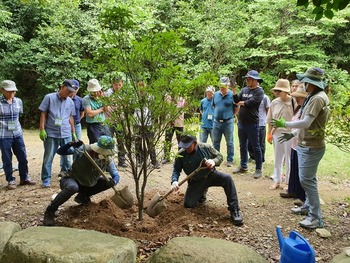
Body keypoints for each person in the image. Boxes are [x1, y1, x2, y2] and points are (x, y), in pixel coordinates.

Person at [272, 67, 330, 229]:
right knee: (307, 178)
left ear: (310, 82)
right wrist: (293, 134)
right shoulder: (314, 96)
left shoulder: (318, 98)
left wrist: (286, 124)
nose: (303, 83)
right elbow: (306, 122)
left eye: (305, 81)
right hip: (306, 143)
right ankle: (308, 207)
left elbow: (306, 122)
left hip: (312, 145)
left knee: (307, 180)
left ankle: (315, 217)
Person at [43, 135, 120, 226]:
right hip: (71, 179)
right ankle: (50, 211)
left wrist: (114, 181)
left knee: (108, 182)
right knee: (72, 187)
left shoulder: (107, 160)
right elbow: (60, 152)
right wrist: (70, 144)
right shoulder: (83, 150)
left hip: (88, 184)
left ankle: (82, 196)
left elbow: (116, 175)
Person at [170, 134, 243, 226]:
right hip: (196, 181)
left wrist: (213, 161)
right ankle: (201, 193)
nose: (186, 149)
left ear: (195, 143)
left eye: (188, 146)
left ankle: (234, 210)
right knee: (188, 204)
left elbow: (219, 157)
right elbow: (176, 170)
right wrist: (174, 181)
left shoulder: (205, 147)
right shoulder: (180, 155)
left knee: (227, 179)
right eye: (184, 146)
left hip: (211, 175)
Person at [38, 79, 77, 188]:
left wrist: (73, 132)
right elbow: (43, 113)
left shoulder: (70, 101)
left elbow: (71, 117)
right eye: (68, 90)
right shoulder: (49, 97)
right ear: (62, 87)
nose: (69, 93)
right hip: (51, 133)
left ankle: (66, 176)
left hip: (65, 133)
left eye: (71, 92)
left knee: (66, 157)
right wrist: (42, 129)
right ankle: (46, 179)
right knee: (48, 157)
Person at [0, 80, 36, 189]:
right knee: (7, 159)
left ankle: (24, 178)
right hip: (3, 135)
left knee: (22, 157)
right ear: (2, 90)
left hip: (17, 134)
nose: (12, 93)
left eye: (14, 91)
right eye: (9, 91)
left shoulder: (18, 101)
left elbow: (18, 117)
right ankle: (10, 180)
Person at [232, 70, 264, 179]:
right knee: (242, 145)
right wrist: (234, 91)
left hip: (252, 124)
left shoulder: (259, 91)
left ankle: (258, 168)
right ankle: (243, 166)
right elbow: (236, 100)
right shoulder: (244, 89)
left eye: (249, 79)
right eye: (247, 78)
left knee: (256, 146)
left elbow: (251, 102)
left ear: (255, 80)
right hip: (241, 123)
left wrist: (242, 103)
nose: (247, 80)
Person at [279, 85, 307, 202]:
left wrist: (292, 133)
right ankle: (292, 190)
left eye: (299, 97)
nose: (297, 99)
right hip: (294, 144)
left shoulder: (306, 110)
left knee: (300, 171)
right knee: (294, 168)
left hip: (301, 143)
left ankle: (301, 196)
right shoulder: (298, 108)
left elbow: (303, 126)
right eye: (296, 97)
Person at [266, 79, 294, 190]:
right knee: (278, 158)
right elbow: (270, 119)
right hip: (277, 133)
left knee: (288, 158)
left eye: (280, 90)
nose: (278, 93)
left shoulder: (293, 102)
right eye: (277, 90)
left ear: (286, 91)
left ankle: (288, 182)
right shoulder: (274, 102)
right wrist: (269, 133)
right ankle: (277, 180)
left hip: (289, 133)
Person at [134, 80, 160, 169]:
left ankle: (154, 161)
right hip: (137, 123)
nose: (141, 88)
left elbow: (153, 111)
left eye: (143, 86)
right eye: (139, 86)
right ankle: (140, 160)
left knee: (150, 143)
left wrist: (154, 122)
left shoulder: (150, 97)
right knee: (137, 143)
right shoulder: (134, 97)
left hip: (148, 123)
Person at [212, 77, 237, 167]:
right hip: (216, 122)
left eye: (223, 86)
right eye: (220, 85)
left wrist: (229, 115)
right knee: (215, 142)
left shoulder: (232, 95)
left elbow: (236, 107)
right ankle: (216, 159)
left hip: (228, 122)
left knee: (229, 142)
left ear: (228, 85)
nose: (221, 87)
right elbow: (214, 106)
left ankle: (230, 160)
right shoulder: (215, 95)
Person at [104, 78, 127, 167]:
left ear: (122, 85)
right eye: (116, 84)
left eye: (119, 85)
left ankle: (122, 161)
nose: (117, 86)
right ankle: (108, 162)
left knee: (121, 141)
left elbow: (125, 107)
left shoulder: (124, 94)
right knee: (109, 140)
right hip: (109, 120)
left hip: (120, 120)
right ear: (112, 84)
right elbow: (105, 107)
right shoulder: (107, 93)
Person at [82, 79, 110, 144]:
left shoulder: (102, 97)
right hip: (93, 125)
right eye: (94, 92)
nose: (96, 93)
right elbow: (89, 114)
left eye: (97, 91)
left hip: (103, 123)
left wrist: (103, 99)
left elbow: (106, 110)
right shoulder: (86, 99)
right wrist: (101, 109)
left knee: (108, 143)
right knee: (95, 145)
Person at [162, 95, 186, 164]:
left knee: (180, 141)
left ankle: (180, 158)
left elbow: (182, 108)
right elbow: (165, 109)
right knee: (167, 140)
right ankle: (166, 157)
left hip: (179, 122)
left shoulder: (182, 97)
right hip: (169, 122)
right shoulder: (167, 97)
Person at [248, 93, 270, 163]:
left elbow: (268, 110)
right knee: (250, 142)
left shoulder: (265, 97)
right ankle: (252, 156)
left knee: (261, 142)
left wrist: (267, 120)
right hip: (251, 122)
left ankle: (261, 158)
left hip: (261, 123)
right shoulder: (250, 96)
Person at [69, 79, 84, 160]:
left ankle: (76, 164)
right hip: (66, 126)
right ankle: (65, 167)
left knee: (78, 146)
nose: (74, 90)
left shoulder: (80, 100)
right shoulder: (65, 98)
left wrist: (77, 121)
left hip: (77, 125)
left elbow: (82, 113)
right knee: (67, 145)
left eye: (76, 89)